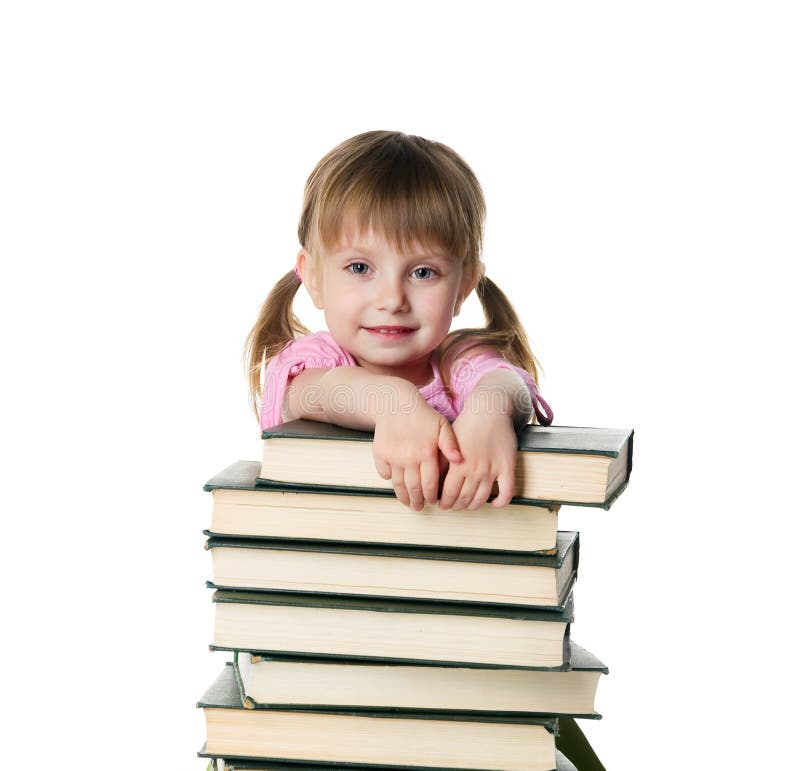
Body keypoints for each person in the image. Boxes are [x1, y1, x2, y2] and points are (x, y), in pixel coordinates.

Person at [244, 130, 552, 514]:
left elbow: (510, 383)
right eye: (360, 268)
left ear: (464, 286)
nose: (392, 300)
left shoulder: (458, 363)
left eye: (423, 272)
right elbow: (318, 393)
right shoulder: (313, 365)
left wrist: (491, 414)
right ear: (314, 278)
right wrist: (392, 402)